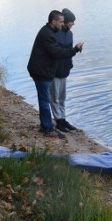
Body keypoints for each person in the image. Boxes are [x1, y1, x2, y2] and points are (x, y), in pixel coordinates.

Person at [27, 10, 83, 138]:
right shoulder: (48, 34)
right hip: (41, 71)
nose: (63, 24)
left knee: (48, 99)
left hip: (45, 70)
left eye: (64, 21)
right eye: (61, 21)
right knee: (45, 100)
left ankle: (49, 125)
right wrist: (74, 50)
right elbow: (57, 53)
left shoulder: (50, 31)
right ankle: (48, 128)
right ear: (54, 22)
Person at [50, 7, 78, 132]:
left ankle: (63, 119)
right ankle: (58, 121)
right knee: (55, 97)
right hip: (55, 71)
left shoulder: (70, 34)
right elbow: (54, 52)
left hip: (64, 70)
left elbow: (69, 51)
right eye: (72, 21)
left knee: (62, 97)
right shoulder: (56, 34)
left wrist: (70, 64)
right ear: (65, 21)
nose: (73, 23)